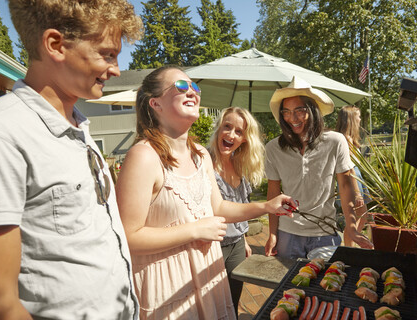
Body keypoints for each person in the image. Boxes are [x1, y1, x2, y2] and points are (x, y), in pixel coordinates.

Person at [0, 1, 143, 319]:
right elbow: (1, 300)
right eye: (107, 54)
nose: (116, 69)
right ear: (55, 45)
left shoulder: (79, 126)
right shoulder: (3, 133)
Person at [115, 66, 296, 320]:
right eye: (180, 86)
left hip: (208, 276)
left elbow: (220, 208)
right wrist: (195, 230)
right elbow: (128, 236)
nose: (191, 91)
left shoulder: (200, 155)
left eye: (195, 87)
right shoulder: (143, 156)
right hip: (168, 285)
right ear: (155, 103)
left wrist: (267, 206)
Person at [264, 76, 374, 260]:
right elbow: (273, 193)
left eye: (299, 110)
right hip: (287, 234)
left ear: (313, 110)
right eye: (286, 112)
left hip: (324, 234)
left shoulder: (335, 141)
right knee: (290, 287)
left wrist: (352, 228)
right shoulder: (273, 148)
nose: (293, 118)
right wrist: (273, 233)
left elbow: (346, 187)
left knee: (328, 285)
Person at [208, 107, 265, 317]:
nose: (231, 135)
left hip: (237, 246)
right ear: (219, 128)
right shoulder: (204, 162)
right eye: (227, 127)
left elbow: (240, 205)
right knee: (211, 304)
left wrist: (245, 239)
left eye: (239, 132)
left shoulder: (238, 163)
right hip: (213, 246)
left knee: (233, 301)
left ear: (245, 140)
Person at [335, 105, 371, 247]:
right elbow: (349, 169)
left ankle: (350, 245)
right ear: (351, 118)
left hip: (356, 176)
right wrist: (357, 194)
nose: (360, 119)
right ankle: (349, 246)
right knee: (357, 216)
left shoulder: (347, 137)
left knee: (361, 216)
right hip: (351, 178)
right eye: (359, 116)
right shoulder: (345, 139)